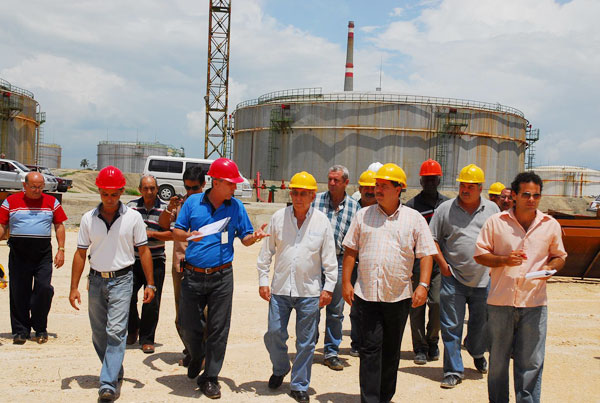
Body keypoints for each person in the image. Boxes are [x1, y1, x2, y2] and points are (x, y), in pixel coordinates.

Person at [172, 158, 268, 399]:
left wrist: (254, 237)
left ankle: (210, 377)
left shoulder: (236, 207)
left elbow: (244, 237)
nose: (234, 188)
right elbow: (177, 230)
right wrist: (188, 235)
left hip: (222, 277)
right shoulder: (193, 202)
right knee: (188, 325)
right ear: (215, 182)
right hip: (193, 275)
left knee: (218, 329)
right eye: (231, 184)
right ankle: (196, 356)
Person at [342, 163, 437, 403]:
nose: (378, 190)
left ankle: (385, 397)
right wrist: (346, 282)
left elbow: (426, 253)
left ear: (399, 189)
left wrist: (423, 285)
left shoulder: (413, 219)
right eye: (377, 185)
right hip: (367, 296)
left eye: (384, 186)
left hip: (398, 296)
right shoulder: (363, 215)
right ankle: (370, 399)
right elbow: (351, 251)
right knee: (370, 349)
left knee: (391, 350)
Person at [474, 171, 567, 403]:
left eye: (536, 195)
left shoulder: (550, 225)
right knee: (497, 363)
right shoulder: (496, 223)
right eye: (526, 194)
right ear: (514, 195)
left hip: (534, 304)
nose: (532, 200)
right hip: (500, 304)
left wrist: (549, 268)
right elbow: (480, 255)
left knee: (531, 363)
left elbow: (560, 256)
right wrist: (504, 260)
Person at [69, 166, 155, 402]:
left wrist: (150, 283)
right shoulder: (88, 218)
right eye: (105, 194)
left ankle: (107, 384)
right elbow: (80, 253)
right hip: (96, 281)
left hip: (123, 280)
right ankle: (115, 370)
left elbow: (144, 251)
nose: (109, 199)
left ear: (120, 192)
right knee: (99, 334)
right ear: (99, 191)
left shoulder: (133, 218)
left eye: (114, 194)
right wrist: (74, 286)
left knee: (116, 332)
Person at [257, 171, 337, 403]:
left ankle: (300, 384)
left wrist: (329, 287)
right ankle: (281, 367)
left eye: (303, 193)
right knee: (274, 334)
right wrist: (263, 281)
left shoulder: (321, 221)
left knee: (306, 342)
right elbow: (266, 254)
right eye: (295, 192)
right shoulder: (278, 218)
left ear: (313, 196)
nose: (298, 198)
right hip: (280, 289)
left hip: (310, 292)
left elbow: (329, 259)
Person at [429, 163, 500, 389]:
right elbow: (432, 239)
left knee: (482, 325)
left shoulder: (492, 210)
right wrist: (443, 265)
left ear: (480, 188)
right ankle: (452, 370)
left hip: (484, 279)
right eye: (462, 185)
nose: (465, 190)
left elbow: (500, 240)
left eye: (471, 186)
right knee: (451, 326)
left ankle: (477, 351)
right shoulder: (444, 209)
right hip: (453, 278)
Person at [0, 172, 67, 344]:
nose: (38, 190)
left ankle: (40, 327)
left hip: (42, 253)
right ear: (25, 186)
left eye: (40, 187)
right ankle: (21, 331)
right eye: (34, 187)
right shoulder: (11, 201)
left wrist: (61, 249)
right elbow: (2, 224)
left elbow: (59, 225)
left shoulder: (52, 202)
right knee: (19, 291)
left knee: (43, 289)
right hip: (19, 253)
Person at [313, 165, 360, 370]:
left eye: (336, 180)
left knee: (335, 309)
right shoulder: (315, 202)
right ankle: (307, 346)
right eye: (330, 179)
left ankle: (331, 352)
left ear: (346, 183)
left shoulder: (354, 207)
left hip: (340, 262)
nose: (332, 183)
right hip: (315, 261)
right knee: (311, 307)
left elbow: (355, 241)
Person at [158, 165, 206, 366]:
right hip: (180, 265)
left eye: (194, 188)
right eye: (187, 188)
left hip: (202, 266)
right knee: (182, 314)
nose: (190, 192)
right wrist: (170, 207)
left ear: (203, 185)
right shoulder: (180, 204)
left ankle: (202, 354)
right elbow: (164, 225)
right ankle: (191, 350)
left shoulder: (209, 206)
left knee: (204, 314)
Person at [406, 159, 449, 365]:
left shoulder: (447, 205)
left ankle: (433, 341)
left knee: (438, 303)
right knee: (417, 306)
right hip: (417, 263)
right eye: (427, 179)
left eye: (434, 179)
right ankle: (420, 347)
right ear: (421, 181)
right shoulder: (412, 207)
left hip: (439, 263)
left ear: (439, 180)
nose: (430, 183)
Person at [126, 175, 173, 353]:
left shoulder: (166, 209)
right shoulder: (130, 207)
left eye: (152, 188)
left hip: (156, 259)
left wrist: (151, 235)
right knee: (127, 296)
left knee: (152, 301)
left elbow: (173, 234)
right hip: (133, 260)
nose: (149, 192)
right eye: (145, 188)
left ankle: (147, 338)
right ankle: (133, 328)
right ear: (140, 189)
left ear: (158, 188)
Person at [348, 169, 378, 357]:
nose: (369, 190)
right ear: (359, 188)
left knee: (374, 304)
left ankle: (371, 341)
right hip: (354, 262)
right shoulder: (353, 209)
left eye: (372, 187)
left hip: (372, 263)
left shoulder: (382, 209)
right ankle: (356, 342)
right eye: (365, 187)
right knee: (355, 306)